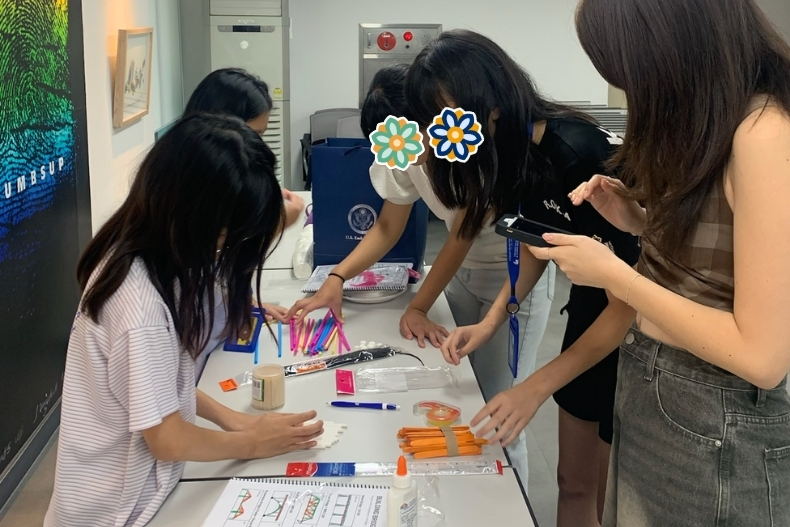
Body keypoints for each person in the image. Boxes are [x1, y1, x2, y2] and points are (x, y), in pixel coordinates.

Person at [530, 1, 790, 525]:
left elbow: (764, 356)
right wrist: (638, 220)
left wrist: (615, 275)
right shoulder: (714, 123)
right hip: (653, 388)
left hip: (715, 419)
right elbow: (720, 266)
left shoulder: (764, 131)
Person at [405, 30, 639, 525]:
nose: (441, 134)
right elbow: (539, 244)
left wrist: (533, 387)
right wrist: (491, 322)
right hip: (591, 309)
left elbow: (631, 302)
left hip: (639, 332)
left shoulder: (577, 151)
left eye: (447, 117)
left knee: (610, 497)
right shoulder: (511, 153)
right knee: (571, 485)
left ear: (488, 102)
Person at [44, 114, 323, 527]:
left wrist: (234, 419)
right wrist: (249, 442)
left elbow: (156, 388)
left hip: (141, 495)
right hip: (112, 512)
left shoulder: (148, 252)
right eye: (227, 236)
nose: (225, 250)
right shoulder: (139, 306)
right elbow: (167, 439)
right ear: (194, 215)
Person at [286, 64, 555, 484]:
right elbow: (388, 226)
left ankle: (507, 498)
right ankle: (470, 493)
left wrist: (418, 305)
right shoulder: (404, 150)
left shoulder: (468, 148)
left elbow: (461, 235)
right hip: (462, 274)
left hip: (515, 278)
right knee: (461, 395)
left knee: (500, 410)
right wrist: (335, 279)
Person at [183, 68, 304, 374]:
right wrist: (273, 223)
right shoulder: (186, 194)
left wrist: (244, 303)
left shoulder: (213, 179)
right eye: (256, 135)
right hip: (193, 368)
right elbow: (212, 251)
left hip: (207, 357)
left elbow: (225, 259)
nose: (260, 146)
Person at [184, 68, 304, 230]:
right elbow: (222, 250)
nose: (259, 145)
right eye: (254, 135)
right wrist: (276, 225)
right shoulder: (189, 191)